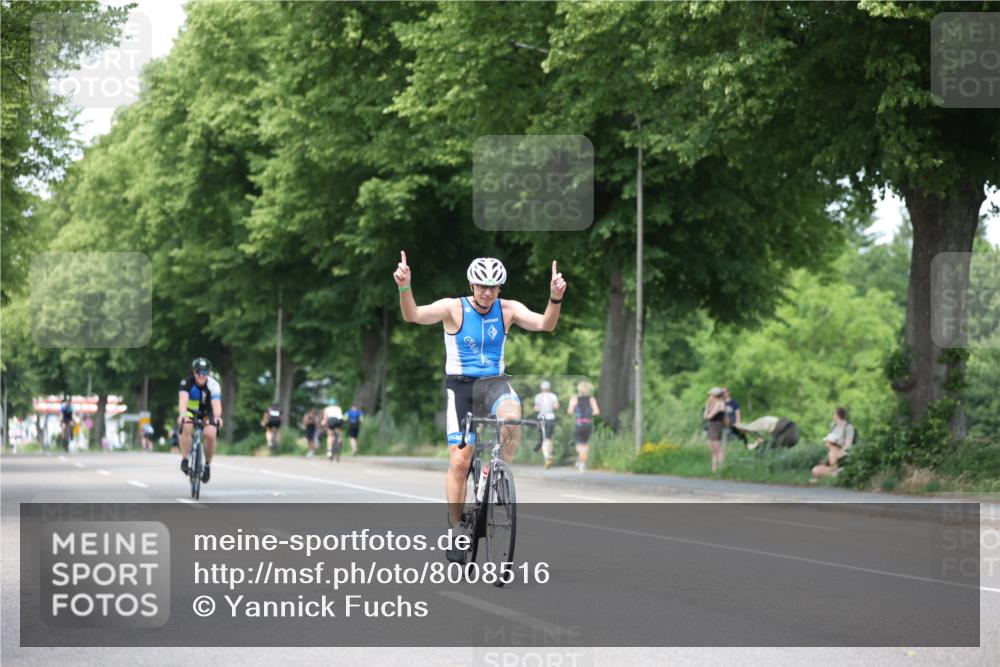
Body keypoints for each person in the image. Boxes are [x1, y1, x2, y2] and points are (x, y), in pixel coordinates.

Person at [394, 252, 565, 563]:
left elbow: (544, 324)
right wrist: (405, 287)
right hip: (461, 388)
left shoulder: (508, 309)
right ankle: (457, 528)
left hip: (494, 383)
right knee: (460, 462)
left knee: (512, 418)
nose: (488, 293)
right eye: (482, 286)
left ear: (500, 288)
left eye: (494, 287)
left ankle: (496, 470)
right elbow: (413, 315)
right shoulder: (453, 308)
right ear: (471, 284)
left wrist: (554, 298)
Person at [178, 357, 223, 483]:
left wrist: (218, 417)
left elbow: (216, 404)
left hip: (207, 412)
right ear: (194, 372)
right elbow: (183, 400)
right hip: (190, 411)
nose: (201, 376)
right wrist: (182, 414)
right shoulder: (186, 382)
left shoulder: (213, 385)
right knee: (186, 425)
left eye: (205, 373)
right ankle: (185, 458)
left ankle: (207, 465)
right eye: (198, 372)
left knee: (211, 433)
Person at [811, 407, 856, 482]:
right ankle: (831, 475)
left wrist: (841, 451)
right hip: (833, 451)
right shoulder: (833, 425)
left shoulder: (848, 427)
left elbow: (848, 443)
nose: (833, 415)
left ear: (837, 415)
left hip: (841, 454)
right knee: (817, 469)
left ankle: (838, 473)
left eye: (834, 414)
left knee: (830, 464)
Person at [566, 381, 599, 472]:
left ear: (579, 389)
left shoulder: (574, 398)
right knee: (585, 446)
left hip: (579, 423)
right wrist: (589, 413)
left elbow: (569, 411)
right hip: (588, 424)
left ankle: (580, 463)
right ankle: (582, 463)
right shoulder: (591, 399)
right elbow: (596, 412)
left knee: (579, 446)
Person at [533, 380, 559, 469]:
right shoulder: (553, 396)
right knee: (548, 438)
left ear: (541, 388)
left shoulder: (538, 396)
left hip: (541, 417)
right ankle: (550, 455)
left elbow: (536, 408)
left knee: (543, 439)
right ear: (549, 388)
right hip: (551, 417)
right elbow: (556, 406)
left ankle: (547, 458)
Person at [703, 386, 726, 472]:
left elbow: (709, 416)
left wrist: (708, 407)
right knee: (713, 450)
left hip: (716, 426)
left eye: (711, 394)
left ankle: (722, 468)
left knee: (718, 449)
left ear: (714, 395)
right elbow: (705, 416)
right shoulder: (713, 404)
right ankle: (714, 470)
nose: (709, 396)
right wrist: (708, 405)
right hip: (712, 426)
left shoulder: (719, 403)